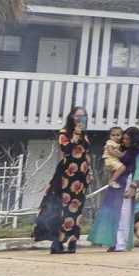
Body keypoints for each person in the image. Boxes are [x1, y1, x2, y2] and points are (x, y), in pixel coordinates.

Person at [51, 109, 91, 255]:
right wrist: (75, 135)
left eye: (83, 116)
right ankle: (59, 241)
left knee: (78, 209)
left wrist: (90, 171)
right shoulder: (64, 133)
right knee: (66, 208)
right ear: (71, 117)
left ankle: (73, 240)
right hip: (68, 175)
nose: (80, 119)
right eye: (78, 116)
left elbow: (86, 153)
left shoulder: (84, 134)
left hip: (82, 175)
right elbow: (66, 149)